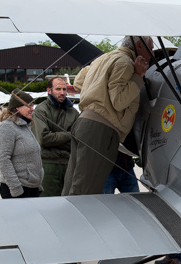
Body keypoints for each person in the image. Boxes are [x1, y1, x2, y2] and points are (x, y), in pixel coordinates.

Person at [64, 35, 154, 197]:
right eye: (151, 48)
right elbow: (119, 101)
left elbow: (78, 82)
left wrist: (98, 91)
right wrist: (138, 76)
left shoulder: (103, 58)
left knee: (72, 184)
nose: (152, 54)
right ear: (139, 46)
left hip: (83, 122)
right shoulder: (126, 63)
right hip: (101, 130)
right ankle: (77, 221)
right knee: (87, 190)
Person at [0, 90, 47, 264]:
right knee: (18, 231)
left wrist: (37, 183)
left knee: (30, 231)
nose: (32, 108)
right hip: (15, 189)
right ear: (17, 108)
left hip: (31, 187)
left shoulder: (25, 127)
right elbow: (3, 159)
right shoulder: (7, 129)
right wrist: (16, 189)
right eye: (29, 105)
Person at [32, 76, 78, 197]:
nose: (62, 92)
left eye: (64, 89)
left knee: (70, 202)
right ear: (49, 90)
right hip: (49, 164)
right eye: (58, 89)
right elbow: (44, 138)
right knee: (48, 203)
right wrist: (69, 135)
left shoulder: (73, 112)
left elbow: (79, 139)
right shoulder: (41, 110)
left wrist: (57, 138)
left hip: (69, 164)